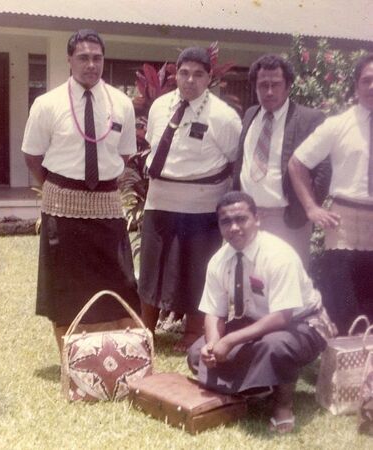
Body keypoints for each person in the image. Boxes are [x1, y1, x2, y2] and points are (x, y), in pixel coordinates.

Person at [21, 29, 140, 352]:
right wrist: (57, 186)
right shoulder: (47, 103)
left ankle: (116, 348)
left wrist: (104, 180)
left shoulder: (121, 103)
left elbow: (125, 154)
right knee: (66, 281)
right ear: (70, 60)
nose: (91, 64)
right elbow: (32, 155)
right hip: (62, 200)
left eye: (97, 58)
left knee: (118, 278)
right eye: (84, 57)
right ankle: (74, 353)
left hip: (106, 202)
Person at [188, 191, 336, 433]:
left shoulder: (278, 255)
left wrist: (231, 339)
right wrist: (214, 344)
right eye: (226, 221)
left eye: (241, 219)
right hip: (257, 324)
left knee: (275, 347)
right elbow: (214, 312)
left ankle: (282, 407)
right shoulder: (218, 260)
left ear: (257, 219)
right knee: (197, 353)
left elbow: (282, 317)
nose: (234, 227)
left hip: (304, 324)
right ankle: (257, 388)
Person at [138, 47, 242, 351]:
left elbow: (235, 159)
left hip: (202, 206)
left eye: (198, 74)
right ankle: (146, 329)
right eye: (184, 72)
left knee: (198, 269)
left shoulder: (223, 116)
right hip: (159, 201)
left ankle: (194, 330)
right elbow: (153, 146)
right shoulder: (159, 107)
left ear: (209, 78)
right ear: (175, 74)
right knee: (152, 267)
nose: (190, 80)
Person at [288, 53, 373, 335]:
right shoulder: (338, 125)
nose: (372, 86)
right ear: (357, 86)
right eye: (367, 80)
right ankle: (347, 368)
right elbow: (298, 163)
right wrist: (312, 208)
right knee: (344, 300)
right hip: (344, 223)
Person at [232, 54, 330, 268]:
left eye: (275, 85)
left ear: (288, 86)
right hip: (248, 218)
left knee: (287, 285)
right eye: (263, 85)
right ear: (255, 87)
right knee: (249, 282)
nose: (269, 91)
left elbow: (323, 171)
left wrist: (304, 210)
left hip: (287, 220)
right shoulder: (250, 115)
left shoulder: (307, 119)